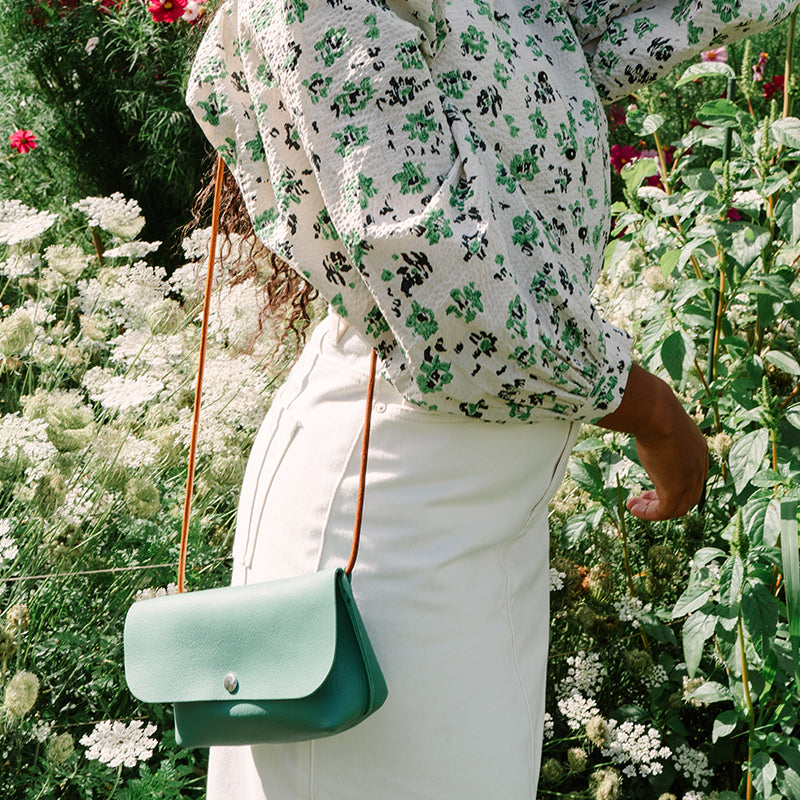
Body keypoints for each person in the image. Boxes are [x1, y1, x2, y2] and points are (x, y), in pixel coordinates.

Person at [184, 0, 790, 796]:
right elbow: (442, 277)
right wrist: (653, 413)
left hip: (487, 514)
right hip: (385, 517)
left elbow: (620, 28)